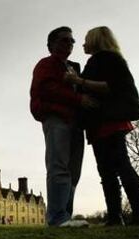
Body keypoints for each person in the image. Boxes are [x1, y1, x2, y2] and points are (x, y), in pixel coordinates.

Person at [64, 26, 139, 225]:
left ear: (96, 40)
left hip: (110, 120)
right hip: (98, 123)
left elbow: (110, 86)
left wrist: (78, 80)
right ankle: (115, 216)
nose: (83, 44)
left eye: (86, 39)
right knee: (106, 171)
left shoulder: (108, 58)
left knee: (122, 166)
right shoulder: (98, 60)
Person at [30, 26, 96, 227]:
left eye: (71, 41)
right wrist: (78, 99)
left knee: (73, 171)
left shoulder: (74, 67)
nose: (69, 43)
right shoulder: (46, 64)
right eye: (64, 40)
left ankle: (65, 215)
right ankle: (57, 217)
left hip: (76, 122)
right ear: (51, 44)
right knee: (58, 166)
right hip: (57, 117)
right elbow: (47, 89)